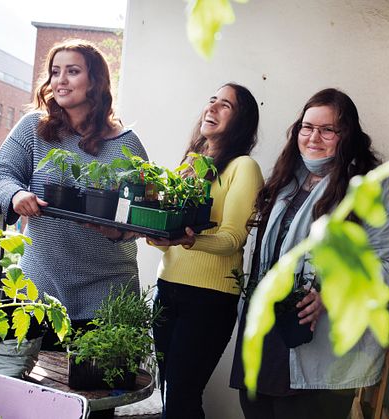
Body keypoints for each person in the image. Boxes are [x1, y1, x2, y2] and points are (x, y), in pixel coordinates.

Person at [229, 88, 389, 419]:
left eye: (327, 129)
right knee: (255, 409)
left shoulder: (378, 187)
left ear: (348, 135)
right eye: (307, 126)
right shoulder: (290, 177)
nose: (313, 137)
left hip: (320, 344)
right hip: (267, 332)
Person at [0, 39, 147, 344]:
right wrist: (17, 194)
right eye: (55, 71)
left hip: (107, 292)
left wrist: (118, 232)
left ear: (95, 82)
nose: (60, 80)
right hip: (39, 289)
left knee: (101, 387)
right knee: (35, 388)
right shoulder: (34, 127)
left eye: (72, 71)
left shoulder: (126, 144)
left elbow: (140, 214)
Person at [147, 83, 265, 419]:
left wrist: (186, 240)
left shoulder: (243, 167)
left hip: (209, 299)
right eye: (211, 100)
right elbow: (172, 225)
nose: (211, 108)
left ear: (241, 121)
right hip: (167, 288)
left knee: (182, 398)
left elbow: (232, 239)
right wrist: (156, 233)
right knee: (170, 393)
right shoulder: (192, 164)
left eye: (225, 105)